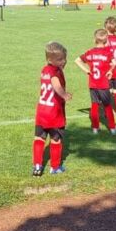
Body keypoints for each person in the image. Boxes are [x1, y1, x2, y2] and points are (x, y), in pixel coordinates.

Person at [32, 41, 72, 176]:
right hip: (54, 113)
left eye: (64, 58)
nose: (63, 61)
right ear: (50, 59)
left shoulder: (44, 70)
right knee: (56, 139)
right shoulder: (55, 72)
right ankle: (55, 167)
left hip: (42, 112)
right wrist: (64, 94)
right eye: (59, 59)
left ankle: (37, 165)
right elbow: (55, 84)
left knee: (39, 138)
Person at [74, 29, 116, 135]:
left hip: (93, 84)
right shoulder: (108, 53)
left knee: (94, 105)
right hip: (103, 84)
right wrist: (110, 71)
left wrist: (87, 71)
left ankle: (95, 128)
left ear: (94, 40)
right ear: (106, 40)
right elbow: (115, 62)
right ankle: (112, 128)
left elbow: (77, 60)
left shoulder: (90, 52)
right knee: (107, 106)